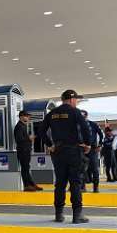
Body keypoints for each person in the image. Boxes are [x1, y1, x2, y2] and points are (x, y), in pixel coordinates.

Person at [39, 89, 92, 224]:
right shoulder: (75, 112)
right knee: (75, 182)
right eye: (76, 100)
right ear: (71, 99)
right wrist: (87, 144)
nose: (77, 102)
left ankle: (59, 214)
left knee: (60, 184)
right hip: (73, 151)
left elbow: (41, 131)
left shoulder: (52, 113)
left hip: (58, 151)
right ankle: (77, 215)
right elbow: (85, 128)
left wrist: (49, 144)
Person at [14, 110, 42, 192]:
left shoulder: (23, 126)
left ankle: (31, 184)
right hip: (23, 151)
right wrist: (29, 138)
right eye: (26, 116)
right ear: (21, 117)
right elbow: (19, 140)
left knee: (27, 167)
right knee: (25, 168)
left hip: (26, 150)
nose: (28, 117)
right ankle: (26, 186)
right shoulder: (19, 126)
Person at [80, 110, 103, 193]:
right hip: (81, 149)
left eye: (83, 116)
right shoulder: (76, 125)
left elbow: (101, 134)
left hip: (92, 149)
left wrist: (100, 145)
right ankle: (82, 187)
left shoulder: (93, 124)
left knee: (94, 169)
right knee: (81, 169)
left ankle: (96, 187)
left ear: (86, 116)